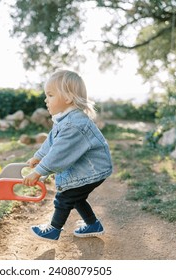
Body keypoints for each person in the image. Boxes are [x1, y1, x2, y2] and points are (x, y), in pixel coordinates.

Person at [22, 69, 113, 241]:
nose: (45, 100)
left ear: (68, 98)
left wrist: (38, 172)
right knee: (76, 196)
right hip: (85, 169)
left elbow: (58, 153)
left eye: (50, 95)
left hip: (92, 170)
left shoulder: (74, 124)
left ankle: (54, 229)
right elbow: (51, 141)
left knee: (64, 197)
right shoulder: (64, 119)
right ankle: (93, 224)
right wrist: (38, 156)